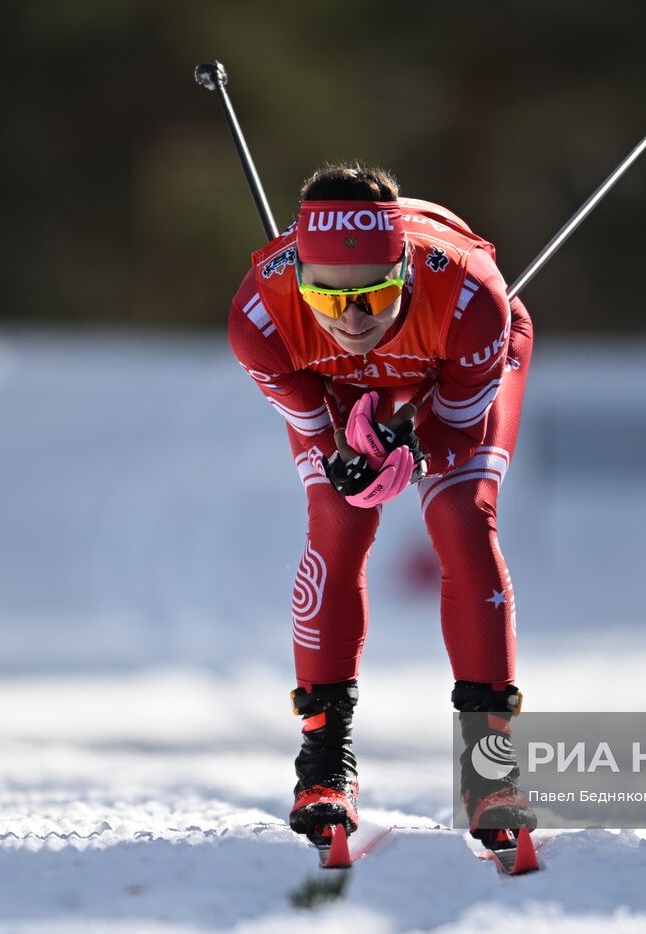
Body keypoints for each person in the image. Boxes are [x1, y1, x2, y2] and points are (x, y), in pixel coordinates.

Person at [227, 163, 536, 848]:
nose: (354, 319)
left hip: (448, 367)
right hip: (329, 383)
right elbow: (315, 431)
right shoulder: (261, 318)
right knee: (339, 520)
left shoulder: (472, 302)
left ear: (404, 271)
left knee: (461, 519)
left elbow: (456, 424)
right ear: (301, 282)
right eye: (330, 300)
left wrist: (412, 444)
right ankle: (323, 762)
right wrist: (351, 457)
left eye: (373, 295)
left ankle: (491, 771)